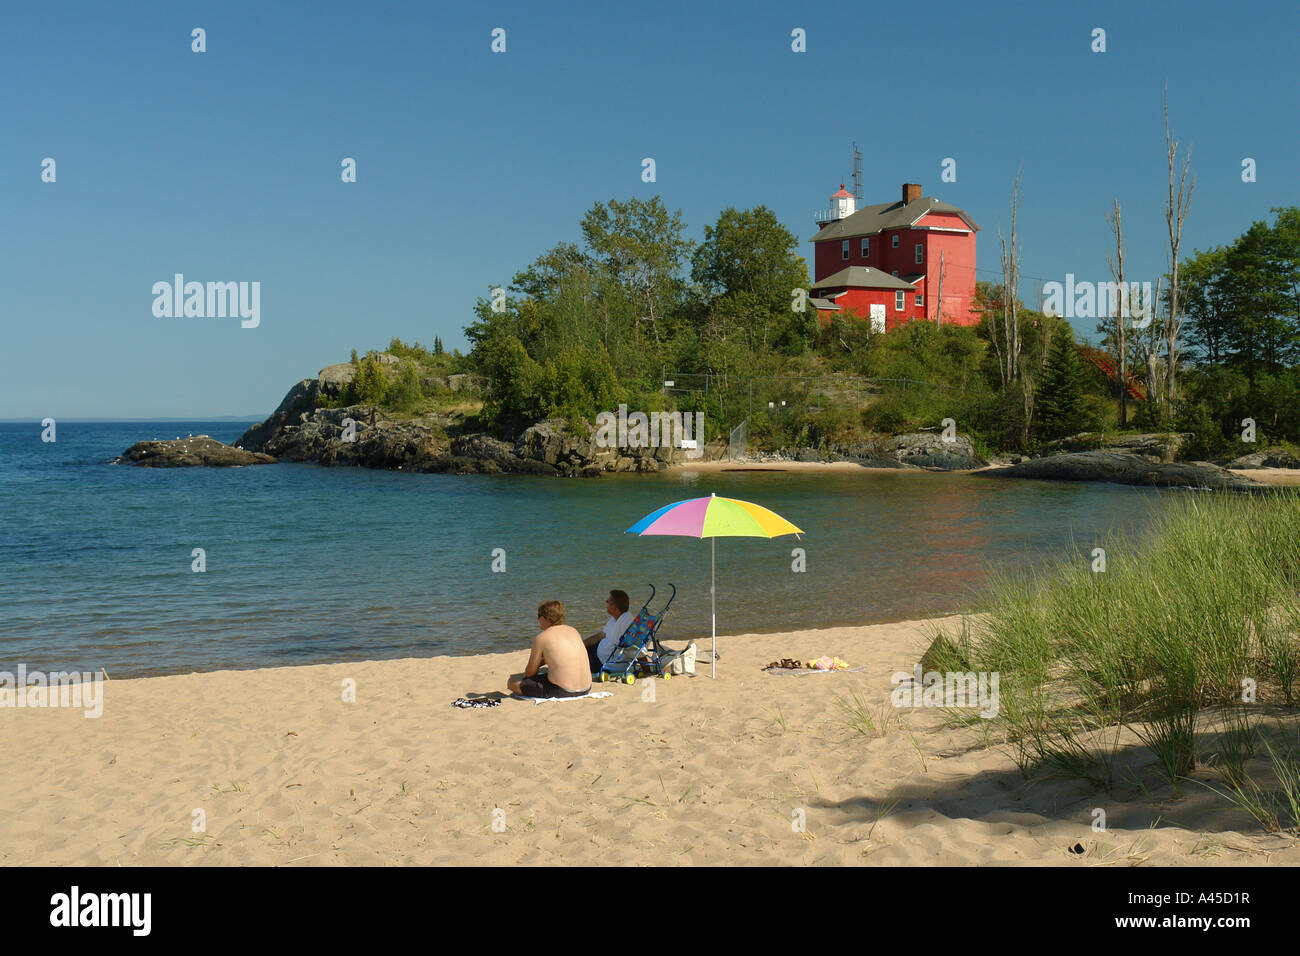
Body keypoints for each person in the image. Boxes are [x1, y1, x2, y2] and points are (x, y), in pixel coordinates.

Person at [507, 600, 591, 698]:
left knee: (512, 683)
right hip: (586, 688)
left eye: (539, 616)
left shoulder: (542, 637)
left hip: (564, 691)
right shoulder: (573, 631)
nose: (538, 620)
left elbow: (530, 673)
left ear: (547, 618)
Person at [583, 589, 635, 673]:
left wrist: (646, 668)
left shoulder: (625, 621)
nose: (606, 603)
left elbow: (635, 646)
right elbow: (600, 635)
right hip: (601, 653)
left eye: (607, 601)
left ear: (614, 606)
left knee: (578, 659)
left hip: (605, 662)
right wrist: (581, 643)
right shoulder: (615, 618)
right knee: (582, 649)